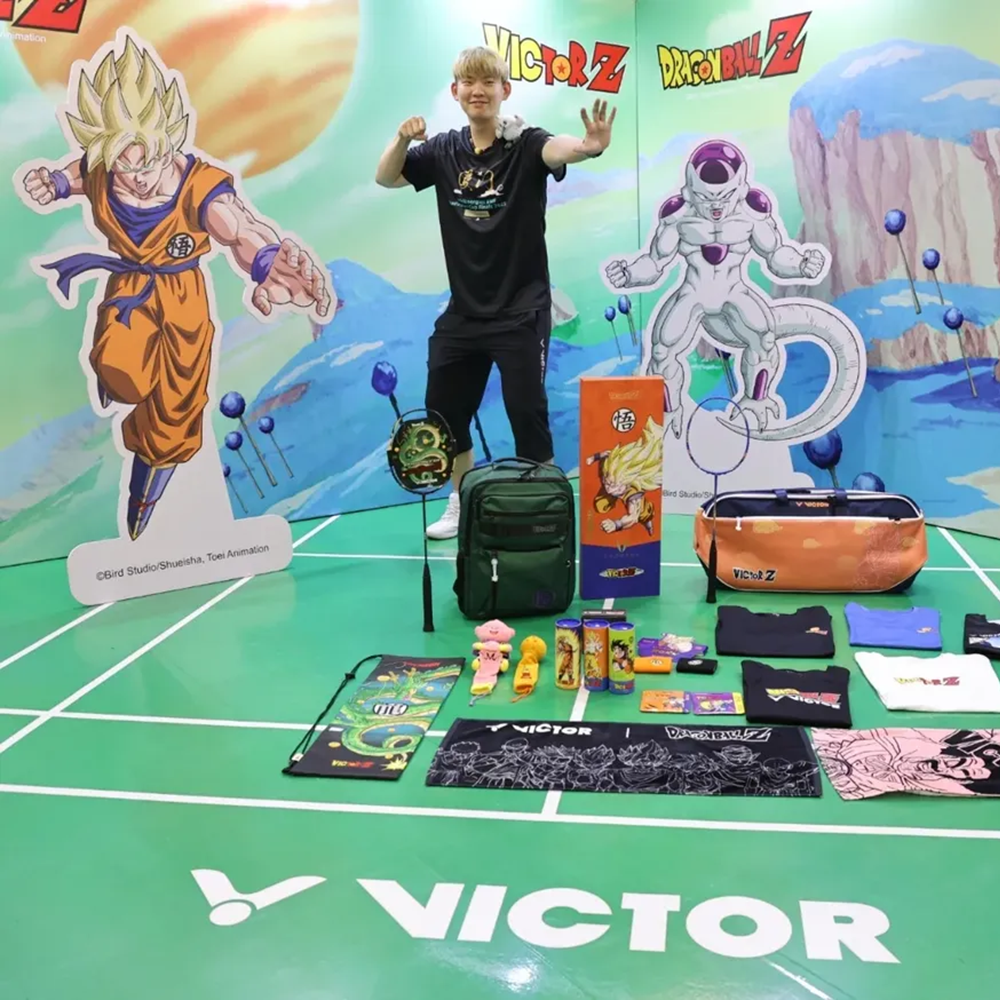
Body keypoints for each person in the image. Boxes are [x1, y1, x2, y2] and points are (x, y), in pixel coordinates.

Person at [375, 45, 615, 539]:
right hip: (464, 314)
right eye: (469, 82)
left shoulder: (525, 143)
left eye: (488, 82)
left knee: (527, 414)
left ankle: (544, 512)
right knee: (445, 416)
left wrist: (589, 147)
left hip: (521, 312)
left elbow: (557, 149)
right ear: (455, 91)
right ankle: (461, 503)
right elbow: (386, 177)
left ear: (505, 90)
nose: (478, 90)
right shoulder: (443, 151)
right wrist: (401, 138)